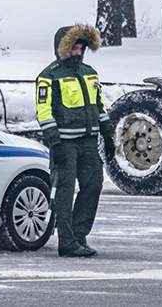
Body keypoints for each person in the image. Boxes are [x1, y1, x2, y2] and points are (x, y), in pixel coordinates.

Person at [36, 24, 113, 258]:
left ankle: (79, 235)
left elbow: (98, 105)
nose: (78, 53)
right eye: (74, 48)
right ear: (63, 49)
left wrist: (107, 133)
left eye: (82, 48)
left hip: (89, 141)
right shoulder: (48, 76)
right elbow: (43, 111)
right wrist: (55, 142)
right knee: (65, 191)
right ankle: (66, 241)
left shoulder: (90, 72)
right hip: (65, 143)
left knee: (94, 185)